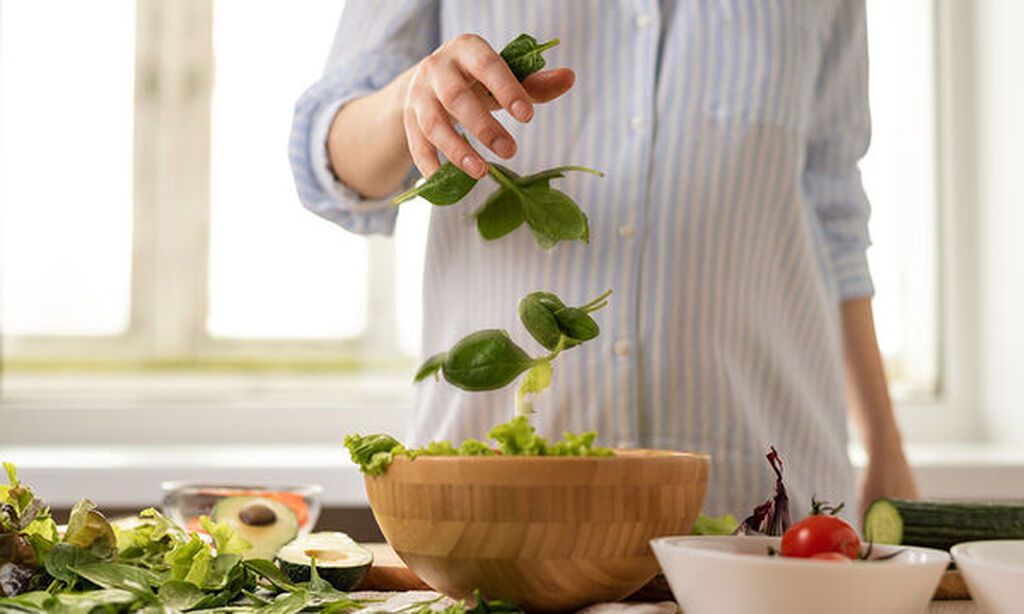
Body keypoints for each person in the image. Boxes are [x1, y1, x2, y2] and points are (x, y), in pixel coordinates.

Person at [289, 0, 918, 519]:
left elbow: (833, 211)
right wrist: (411, 97)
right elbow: (330, 165)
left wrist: (885, 448)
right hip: (503, 511)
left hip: (764, 491)